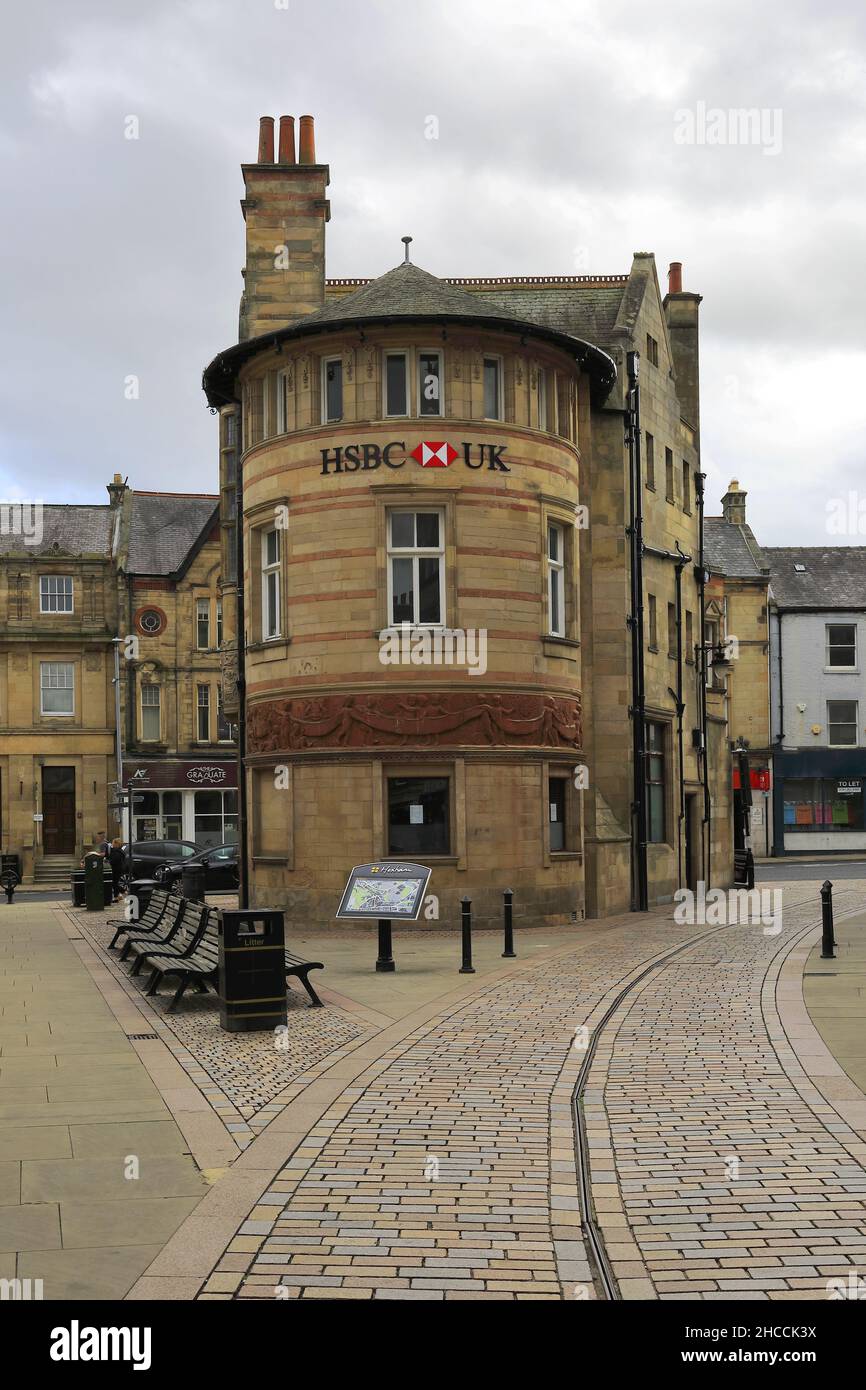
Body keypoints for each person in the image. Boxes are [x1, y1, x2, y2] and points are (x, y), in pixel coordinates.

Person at [108, 838, 125, 902]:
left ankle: (117, 896)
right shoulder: (120, 851)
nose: (112, 844)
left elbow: (114, 860)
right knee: (115, 883)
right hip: (119, 868)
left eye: (113, 843)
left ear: (116, 844)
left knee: (114, 883)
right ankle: (120, 894)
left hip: (116, 869)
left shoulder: (116, 851)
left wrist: (108, 861)